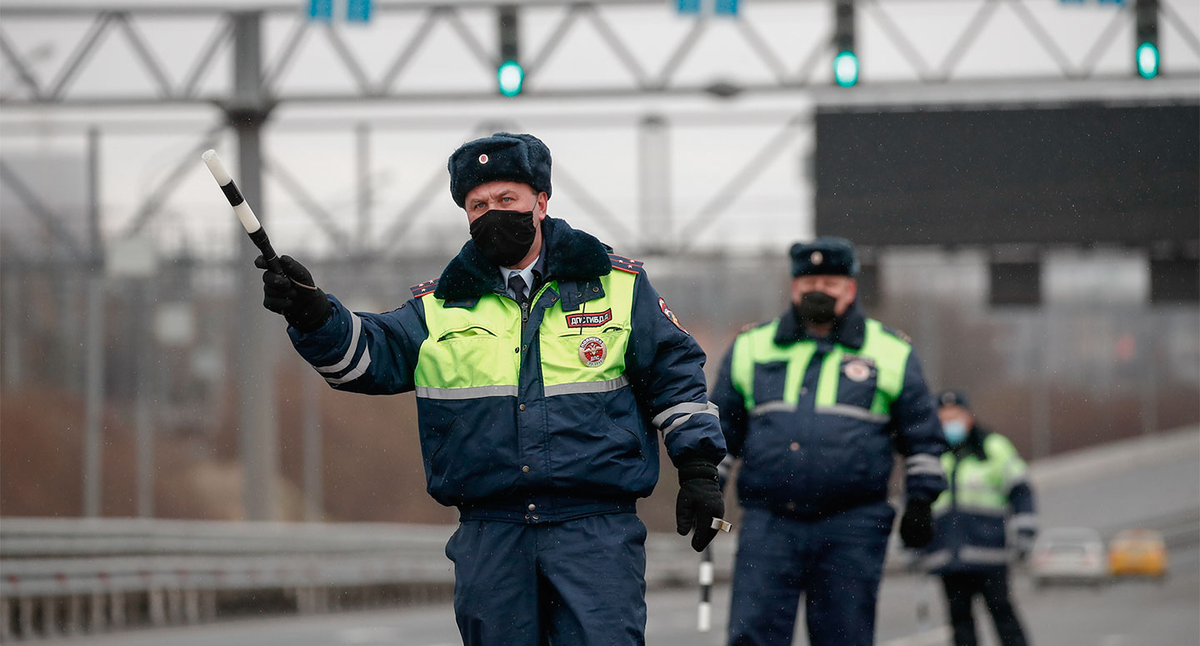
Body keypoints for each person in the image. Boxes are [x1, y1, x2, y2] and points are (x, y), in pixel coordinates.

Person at [255, 132, 727, 645]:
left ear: (540, 202)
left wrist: (699, 468)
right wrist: (312, 313)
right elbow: (364, 358)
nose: (492, 213)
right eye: (477, 205)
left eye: (507, 200)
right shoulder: (439, 308)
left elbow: (676, 377)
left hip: (595, 531)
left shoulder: (619, 288)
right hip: (491, 535)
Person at [711, 236, 948, 646]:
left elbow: (922, 439)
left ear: (851, 288)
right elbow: (722, 434)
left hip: (853, 525)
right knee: (753, 636)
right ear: (793, 287)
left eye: (830, 282)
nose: (817, 291)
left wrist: (922, 502)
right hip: (770, 522)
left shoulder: (891, 352)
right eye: (808, 282)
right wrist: (705, 488)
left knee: (845, 638)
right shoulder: (751, 347)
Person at [924, 390, 1035, 646]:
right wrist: (913, 542)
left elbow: (1020, 490)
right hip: (948, 556)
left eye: (955, 416)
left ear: (968, 417)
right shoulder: (931, 453)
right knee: (960, 624)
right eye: (944, 417)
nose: (950, 423)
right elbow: (918, 503)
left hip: (989, 554)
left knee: (1003, 615)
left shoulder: (993, 447)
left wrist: (1025, 531)